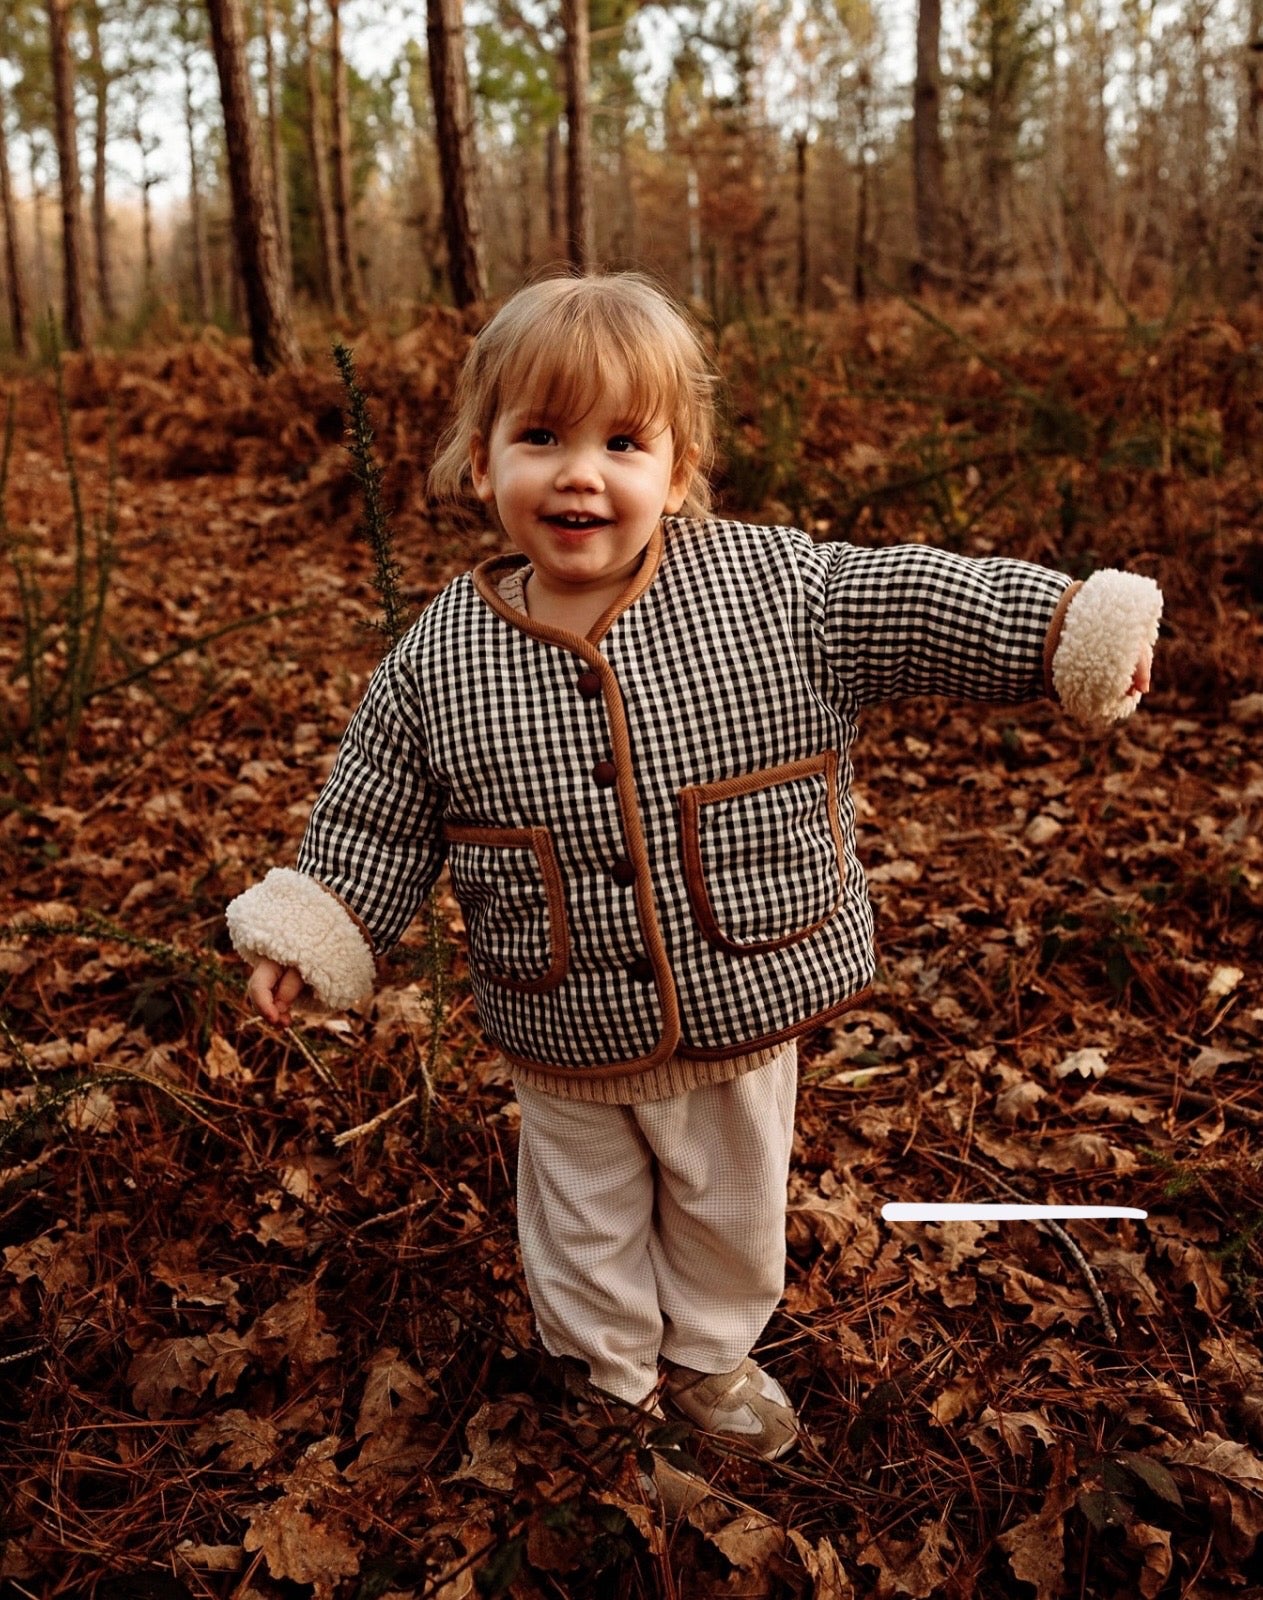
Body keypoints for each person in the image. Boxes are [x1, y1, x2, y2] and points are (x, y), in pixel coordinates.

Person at [226, 272, 1161, 1504]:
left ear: (677, 468)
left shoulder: (779, 591)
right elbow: (375, 812)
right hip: (560, 1020)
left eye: (622, 441)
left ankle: (713, 1357)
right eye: (541, 438)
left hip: (739, 995)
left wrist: (1063, 628)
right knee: (582, 1220)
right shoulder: (438, 658)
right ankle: (609, 1380)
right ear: (480, 458)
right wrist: (319, 921)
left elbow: (923, 601)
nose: (579, 474)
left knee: (730, 1206)